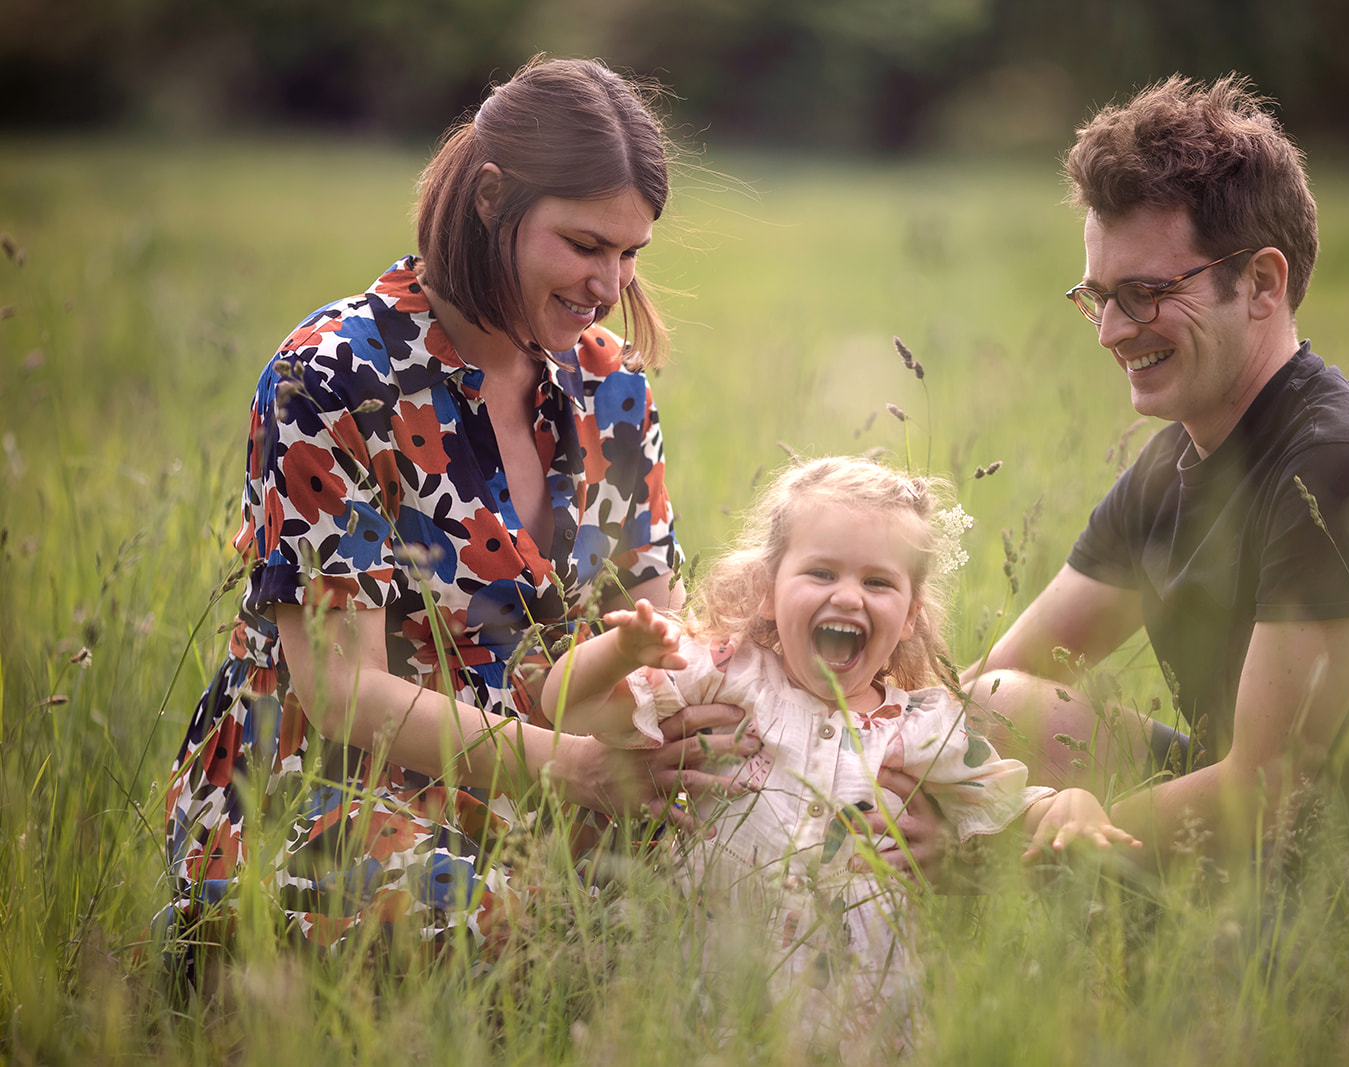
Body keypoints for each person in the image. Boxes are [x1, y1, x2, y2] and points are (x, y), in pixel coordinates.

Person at [159, 55, 765, 958]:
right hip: (337, 791)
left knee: (752, 877)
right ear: (491, 198)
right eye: (585, 245)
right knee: (490, 920)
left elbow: (650, 625)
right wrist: (582, 773)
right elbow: (339, 691)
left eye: (631, 252)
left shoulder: (610, 383)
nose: (611, 286)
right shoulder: (336, 376)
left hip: (558, 771)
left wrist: (688, 722)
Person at [975, 74, 1349, 869]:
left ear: (1263, 283)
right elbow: (1005, 674)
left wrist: (1012, 842)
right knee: (995, 704)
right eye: (1098, 297)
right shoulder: (1174, 459)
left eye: (1144, 293)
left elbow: (1271, 785)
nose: (1109, 332)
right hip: (1269, 843)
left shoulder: (1343, 459)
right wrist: (798, 716)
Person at [542, 456, 1139, 1052]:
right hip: (713, 992)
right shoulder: (725, 677)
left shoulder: (924, 728)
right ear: (768, 593)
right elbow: (565, 705)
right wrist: (620, 652)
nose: (849, 596)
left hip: (865, 1021)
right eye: (822, 573)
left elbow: (1011, 804)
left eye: (877, 582)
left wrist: (1072, 807)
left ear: (909, 617)